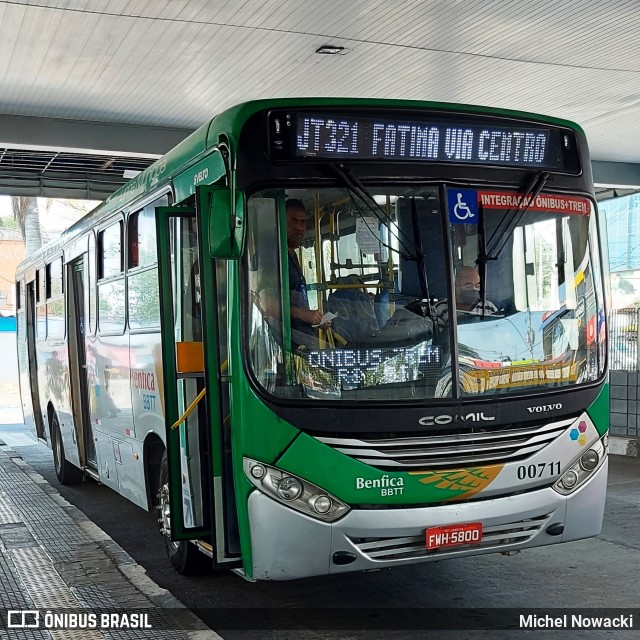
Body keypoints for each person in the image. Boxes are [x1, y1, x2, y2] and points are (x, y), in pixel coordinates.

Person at [285, 199, 327, 336]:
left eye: (302, 222)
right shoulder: (272, 256)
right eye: (294, 221)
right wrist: (301, 313)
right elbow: (264, 303)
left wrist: (315, 319)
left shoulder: (292, 256)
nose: (299, 227)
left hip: (302, 335)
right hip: (285, 338)